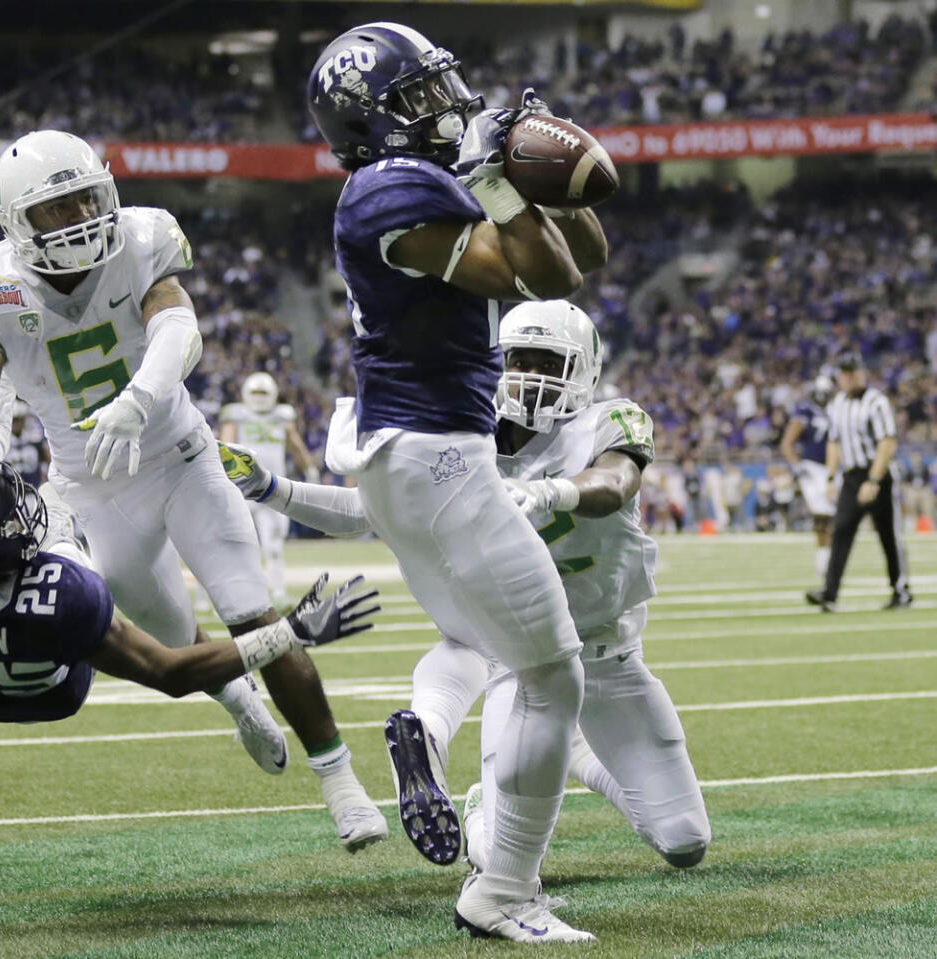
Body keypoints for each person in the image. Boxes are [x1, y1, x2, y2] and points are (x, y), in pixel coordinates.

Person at [0, 130, 387, 852]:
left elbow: (178, 326)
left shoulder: (142, 238)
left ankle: (339, 779)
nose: (81, 213)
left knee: (251, 612)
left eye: (87, 194)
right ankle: (238, 700)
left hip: (179, 457)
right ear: (18, 220)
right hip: (90, 491)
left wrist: (140, 399)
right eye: (58, 206)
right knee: (169, 639)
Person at [220, 301, 709, 881]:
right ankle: (488, 805)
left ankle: (571, 752)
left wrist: (553, 493)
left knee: (685, 841)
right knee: (495, 854)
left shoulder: (608, 422)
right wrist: (272, 488)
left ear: (583, 369)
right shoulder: (464, 437)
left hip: (612, 657)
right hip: (526, 659)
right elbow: (367, 510)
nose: (527, 376)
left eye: (546, 361)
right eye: (517, 359)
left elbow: (616, 480)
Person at [308, 23, 609, 941]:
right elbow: (538, 279)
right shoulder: (385, 192)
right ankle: (503, 889)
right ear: (368, 124)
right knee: (553, 673)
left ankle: (436, 750)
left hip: (423, 457)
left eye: (441, 87)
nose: (442, 108)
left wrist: (529, 173)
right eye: (413, 99)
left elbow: (578, 259)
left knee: (485, 647)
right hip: (435, 456)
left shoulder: (416, 177)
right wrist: (492, 181)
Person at [0, 462, 378, 808]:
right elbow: (170, 673)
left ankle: (240, 702)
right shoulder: (57, 597)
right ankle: (241, 700)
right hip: (52, 685)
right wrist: (290, 632)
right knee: (71, 528)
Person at [807, 352, 911, 612]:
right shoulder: (838, 404)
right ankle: (830, 593)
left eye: (853, 371)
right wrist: (831, 476)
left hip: (878, 475)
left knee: (888, 535)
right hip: (851, 476)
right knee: (840, 530)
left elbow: (887, 441)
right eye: (844, 372)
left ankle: (901, 590)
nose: (849, 377)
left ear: (862, 373)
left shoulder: (877, 402)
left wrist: (874, 480)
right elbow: (833, 442)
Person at [219, 373, 319, 606]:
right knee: (234, 544)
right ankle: (231, 596)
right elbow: (224, 448)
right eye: (255, 393)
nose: (259, 398)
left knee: (273, 545)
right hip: (240, 491)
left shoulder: (282, 416)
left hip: (272, 489)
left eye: (263, 393)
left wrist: (309, 468)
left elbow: (294, 443)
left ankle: (278, 592)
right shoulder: (237, 415)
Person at [781, 375, 836, 584]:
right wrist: (797, 465)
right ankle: (824, 562)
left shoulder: (834, 410)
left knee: (830, 517)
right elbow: (787, 442)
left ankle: (827, 560)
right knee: (823, 516)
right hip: (813, 469)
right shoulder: (805, 411)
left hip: (832, 468)